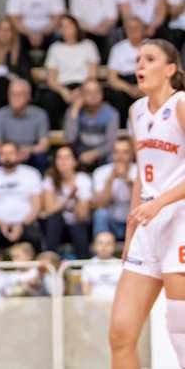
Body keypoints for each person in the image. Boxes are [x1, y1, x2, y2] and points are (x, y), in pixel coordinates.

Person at [109, 39, 185, 367]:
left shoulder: (181, 104)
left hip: (180, 219)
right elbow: (143, 173)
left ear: (170, 69)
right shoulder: (136, 111)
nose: (140, 65)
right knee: (120, 334)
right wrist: (131, 227)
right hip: (147, 224)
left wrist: (160, 203)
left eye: (150, 59)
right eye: (138, 59)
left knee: (181, 333)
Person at [0, 142, 43, 250]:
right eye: (3, 153)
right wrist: (0, 223)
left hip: (26, 223)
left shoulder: (32, 174)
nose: (7, 157)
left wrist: (21, 225)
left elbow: (36, 206)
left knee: (33, 237)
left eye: (10, 153)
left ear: (18, 155)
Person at [41, 14, 100, 126]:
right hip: (62, 87)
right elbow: (51, 79)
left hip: (83, 86)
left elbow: (92, 75)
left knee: (91, 94)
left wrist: (80, 90)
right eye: (62, 26)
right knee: (49, 98)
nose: (66, 29)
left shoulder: (88, 45)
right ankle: (54, 130)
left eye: (69, 25)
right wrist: (63, 91)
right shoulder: (55, 48)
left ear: (76, 26)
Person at [40, 145, 92, 258]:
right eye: (59, 157)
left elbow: (83, 215)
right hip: (57, 227)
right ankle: (49, 259)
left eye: (67, 157)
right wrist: (68, 197)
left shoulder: (83, 179)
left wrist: (76, 198)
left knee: (77, 223)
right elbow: (49, 210)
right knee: (55, 218)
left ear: (75, 161)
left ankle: (83, 261)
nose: (63, 161)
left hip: (77, 225)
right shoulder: (50, 179)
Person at [0, 79, 51, 171]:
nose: (15, 97)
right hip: (8, 153)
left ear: (28, 96)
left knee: (40, 158)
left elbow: (44, 145)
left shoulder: (40, 114)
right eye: (12, 94)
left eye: (20, 94)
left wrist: (27, 151)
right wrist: (11, 153)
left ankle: (38, 180)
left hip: (30, 153)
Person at [64, 79, 119, 168]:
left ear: (102, 93)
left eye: (96, 91)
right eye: (88, 92)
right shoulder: (73, 111)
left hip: (103, 155)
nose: (93, 95)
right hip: (80, 155)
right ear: (81, 95)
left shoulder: (111, 113)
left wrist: (93, 154)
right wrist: (75, 109)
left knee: (113, 155)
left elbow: (111, 143)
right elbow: (70, 138)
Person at [91, 137, 136, 241]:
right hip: (111, 222)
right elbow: (100, 204)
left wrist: (127, 180)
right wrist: (110, 180)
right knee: (100, 214)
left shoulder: (139, 171)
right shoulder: (101, 172)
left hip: (133, 221)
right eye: (116, 152)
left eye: (125, 152)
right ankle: (103, 248)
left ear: (132, 154)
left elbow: (140, 203)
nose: (120, 157)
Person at [107, 17, 146, 123]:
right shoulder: (118, 49)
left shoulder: (152, 46)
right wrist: (130, 89)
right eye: (130, 28)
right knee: (117, 96)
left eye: (136, 28)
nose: (133, 31)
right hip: (125, 84)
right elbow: (112, 78)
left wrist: (143, 88)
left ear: (143, 29)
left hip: (146, 82)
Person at [80, 232, 122, 300]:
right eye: (100, 243)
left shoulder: (121, 265)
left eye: (108, 243)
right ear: (94, 245)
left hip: (116, 303)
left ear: (114, 246)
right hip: (94, 304)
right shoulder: (88, 265)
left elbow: (125, 290)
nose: (104, 247)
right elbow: (86, 292)